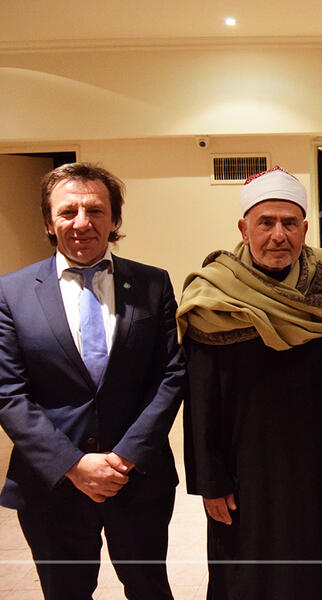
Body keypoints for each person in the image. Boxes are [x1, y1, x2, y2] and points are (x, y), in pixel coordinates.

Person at [0, 163, 186, 599]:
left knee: (149, 589)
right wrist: (74, 465)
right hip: (52, 484)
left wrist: (124, 457)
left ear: (114, 219)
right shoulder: (11, 292)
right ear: (49, 221)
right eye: (67, 212)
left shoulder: (153, 283)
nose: (82, 223)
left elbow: (171, 375)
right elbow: (9, 391)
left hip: (136, 478)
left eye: (95, 210)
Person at [178, 167, 322, 599]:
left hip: (321, 469)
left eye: (289, 223)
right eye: (266, 222)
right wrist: (210, 480)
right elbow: (200, 400)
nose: (278, 235)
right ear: (244, 228)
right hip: (245, 473)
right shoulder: (212, 297)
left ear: (305, 229)